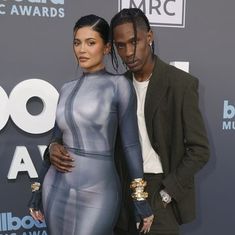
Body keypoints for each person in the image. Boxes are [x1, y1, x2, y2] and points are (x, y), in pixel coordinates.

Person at [45, 8, 210, 235]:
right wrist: (53, 147)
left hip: (159, 190)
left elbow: (199, 149)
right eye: (121, 46)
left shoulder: (180, 84)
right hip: (119, 190)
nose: (128, 52)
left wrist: (166, 192)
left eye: (134, 42)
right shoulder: (115, 85)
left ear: (149, 38)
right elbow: (69, 131)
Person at [28, 14, 154, 235]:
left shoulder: (119, 86)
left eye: (91, 42)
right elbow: (55, 139)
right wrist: (38, 188)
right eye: (77, 42)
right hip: (56, 187)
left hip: (99, 192)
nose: (82, 50)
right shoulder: (66, 88)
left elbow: (131, 146)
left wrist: (140, 197)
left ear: (106, 48)